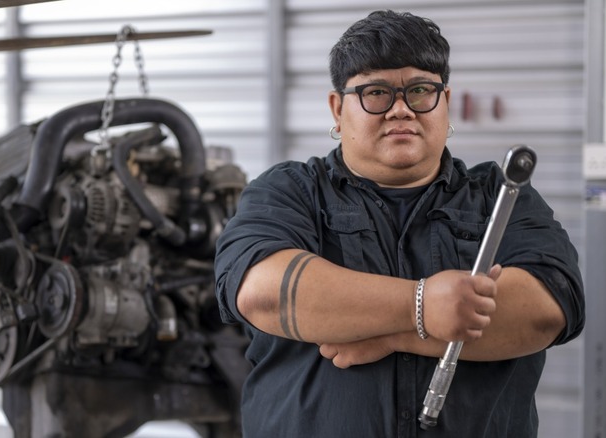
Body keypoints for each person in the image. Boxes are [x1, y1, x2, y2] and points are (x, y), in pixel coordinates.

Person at [214, 9, 584, 438]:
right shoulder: (289, 191)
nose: (401, 110)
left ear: (445, 103)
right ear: (337, 109)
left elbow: (547, 311)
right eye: (376, 93)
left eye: (420, 90)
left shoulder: (499, 195)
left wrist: (394, 335)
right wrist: (422, 305)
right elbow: (263, 294)